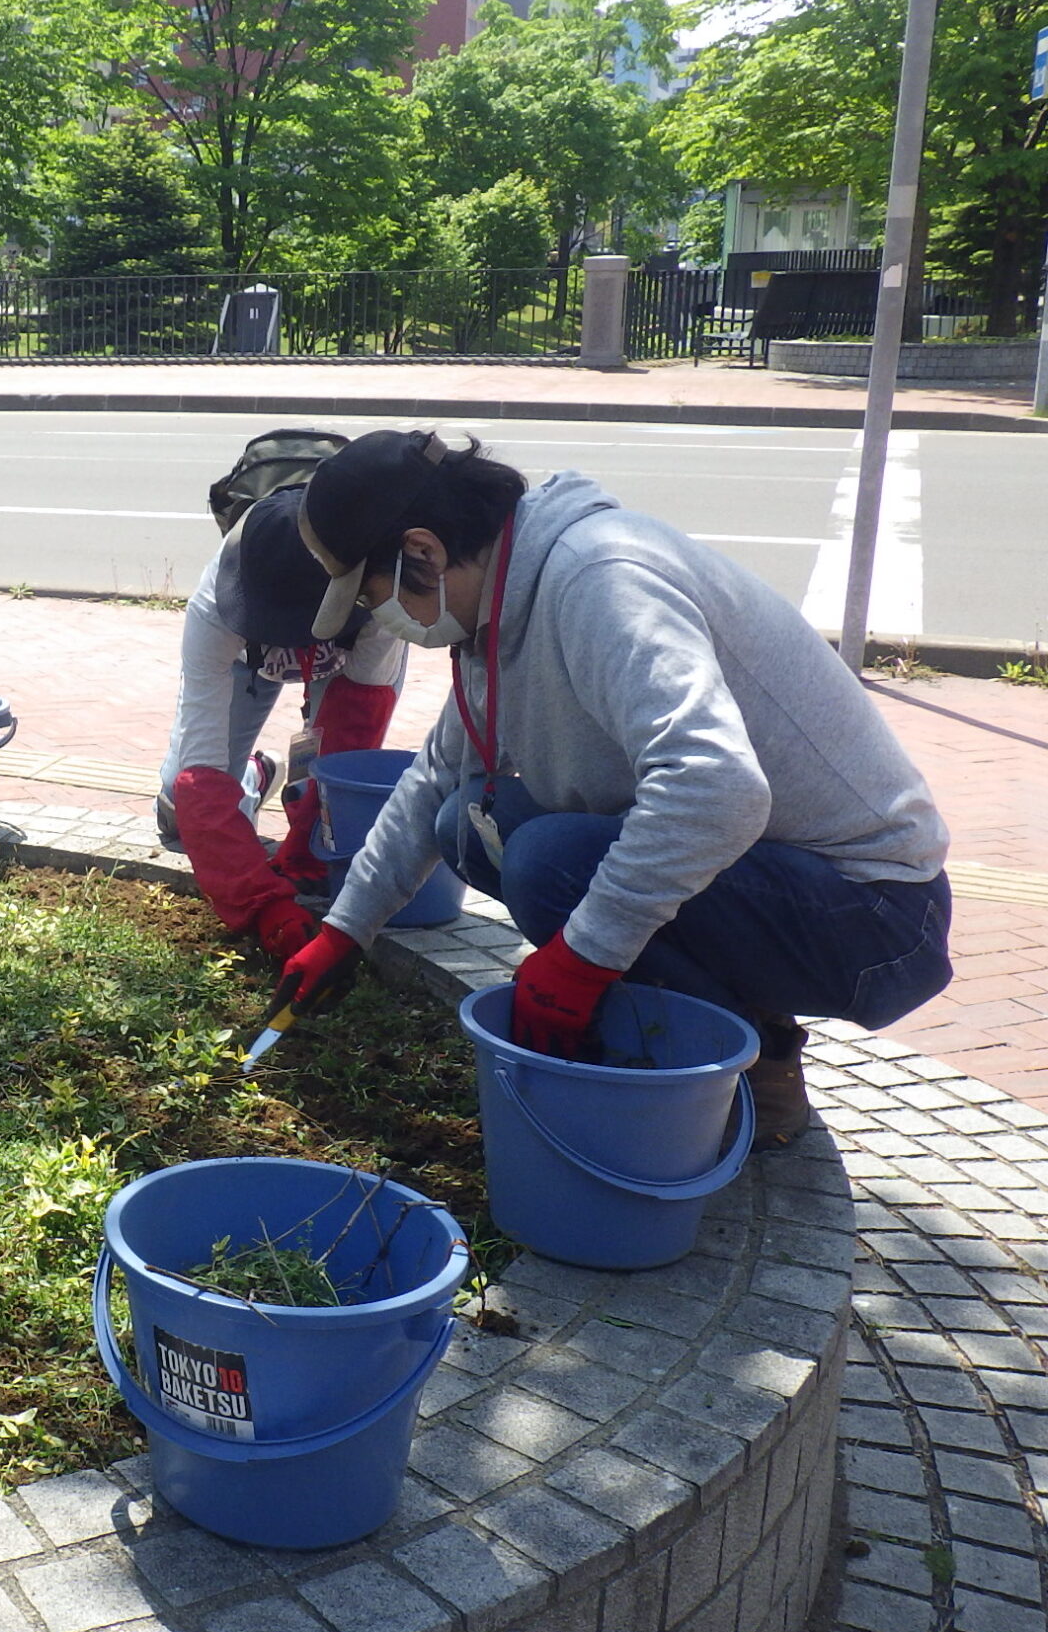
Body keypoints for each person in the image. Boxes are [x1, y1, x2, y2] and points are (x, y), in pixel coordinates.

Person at [268, 429, 952, 1143]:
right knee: (467, 824)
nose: (378, 616)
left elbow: (718, 789)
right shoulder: (495, 604)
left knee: (549, 863)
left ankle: (739, 1069)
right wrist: (346, 930)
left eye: (371, 593)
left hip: (878, 917)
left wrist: (582, 958)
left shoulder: (601, 579)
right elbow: (435, 776)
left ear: (423, 551)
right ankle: (708, 1013)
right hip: (773, 878)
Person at [159, 481, 405, 965]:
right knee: (177, 809)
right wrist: (263, 905)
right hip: (246, 662)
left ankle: (299, 823)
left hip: (345, 656)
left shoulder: (381, 600)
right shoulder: (213, 610)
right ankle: (253, 779)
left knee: (332, 799)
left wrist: (308, 846)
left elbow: (354, 727)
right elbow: (200, 775)